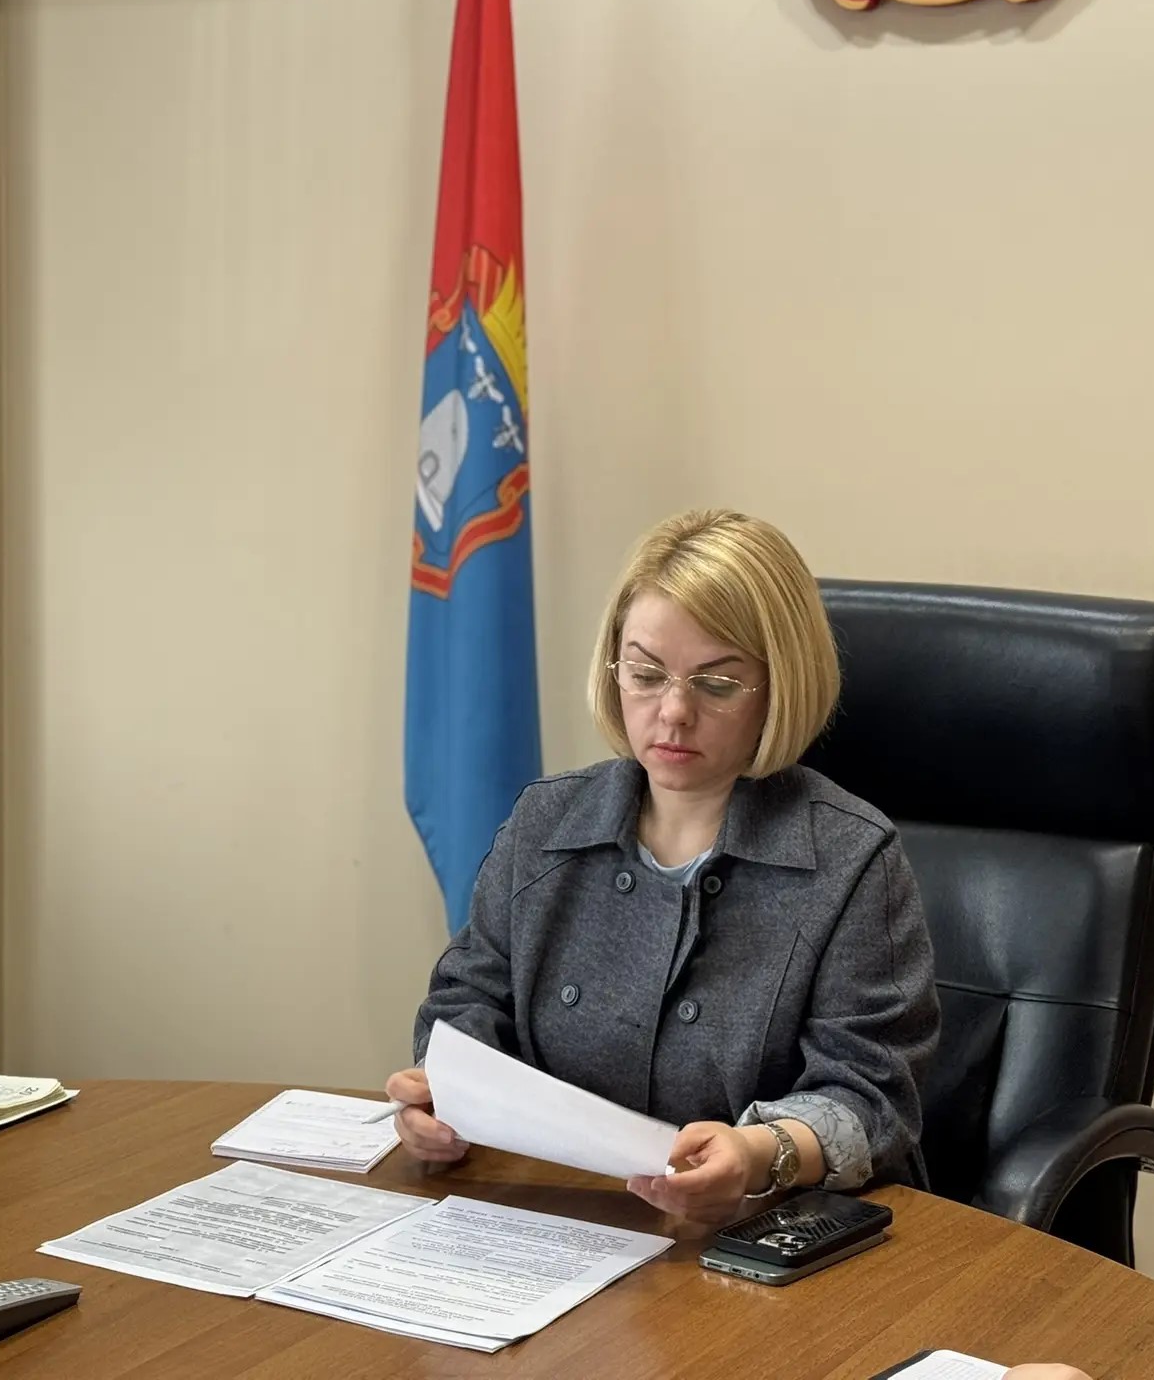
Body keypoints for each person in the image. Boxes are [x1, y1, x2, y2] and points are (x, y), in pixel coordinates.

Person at [388, 509, 940, 1225]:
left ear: (780, 685)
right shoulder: (546, 822)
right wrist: (439, 1093)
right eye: (646, 674)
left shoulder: (852, 858)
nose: (673, 711)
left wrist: (760, 1152)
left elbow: (872, 1095)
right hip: (561, 1217)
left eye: (717, 684)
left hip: (762, 1235)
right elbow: (467, 1002)